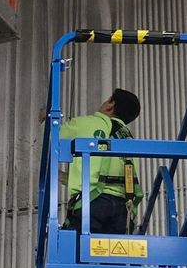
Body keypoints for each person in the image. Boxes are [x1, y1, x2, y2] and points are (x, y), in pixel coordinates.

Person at [60, 88, 142, 234]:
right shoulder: (128, 138)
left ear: (110, 105)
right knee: (111, 255)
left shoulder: (85, 123)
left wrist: (43, 122)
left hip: (91, 203)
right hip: (123, 210)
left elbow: (50, 141)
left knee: (79, 252)